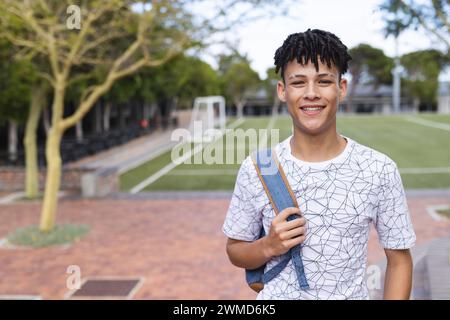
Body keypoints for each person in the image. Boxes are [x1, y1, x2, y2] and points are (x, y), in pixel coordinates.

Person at [222, 29, 416, 300]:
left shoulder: (379, 169)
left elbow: (399, 260)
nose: (311, 93)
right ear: (283, 90)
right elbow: (235, 250)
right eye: (298, 82)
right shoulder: (257, 168)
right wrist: (268, 245)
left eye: (324, 81)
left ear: (342, 88)